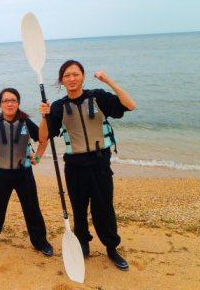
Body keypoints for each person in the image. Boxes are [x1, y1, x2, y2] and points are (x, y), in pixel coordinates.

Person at [39, 60, 136, 270]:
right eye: (67, 76)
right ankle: (83, 244)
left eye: (75, 74)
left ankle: (111, 248)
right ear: (61, 80)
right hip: (74, 166)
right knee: (79, 209)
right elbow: (44, 137)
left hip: (100, 164)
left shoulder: (98, 97)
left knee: (104, 209)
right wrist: (44, 116)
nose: (72, 79)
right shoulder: (58, 107)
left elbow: (130, 105)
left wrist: (109, 80)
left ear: (82, 76)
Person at [0, 87, 53, 256]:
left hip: (24, 175)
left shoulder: (26, 123)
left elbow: (44, 139)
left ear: (18, 103)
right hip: (1, 175)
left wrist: (37, 158)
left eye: (13, 100)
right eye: (6, 101)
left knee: (32, 209)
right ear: (0, 104)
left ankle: (40, 242)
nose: (9, 103)